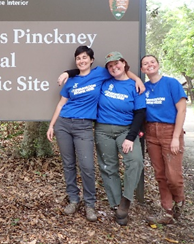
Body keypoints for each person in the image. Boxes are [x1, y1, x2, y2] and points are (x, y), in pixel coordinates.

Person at [46, 45, 107, 222]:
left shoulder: (99, 74)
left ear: (91, 60)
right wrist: (51, 126)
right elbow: (60, 104)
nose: (81, 61)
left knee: (87, 166)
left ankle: (90, 204)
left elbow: (121, 70)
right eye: (78, 58)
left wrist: (138, 80)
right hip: (63, 124)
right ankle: (73, 199)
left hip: (84, 126)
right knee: (68, 164)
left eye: (84, 57)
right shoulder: (71, 81)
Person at [92, 51, 147, 226]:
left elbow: (140, 114)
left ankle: (126, 199)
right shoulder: (104, 82)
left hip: (126, 131)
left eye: (117, 64)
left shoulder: (135, 86)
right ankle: (116, 205)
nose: (114, 67)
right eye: (110, 65)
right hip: (103, 130)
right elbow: (81, 72)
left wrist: (130, 138)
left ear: (124, 64)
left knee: (135, 161)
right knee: (109, 167)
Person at [139, 55, 188, 225]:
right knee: (160, 175)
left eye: (152, 62)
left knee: (173, 176)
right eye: (145, 64)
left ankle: (179, 200)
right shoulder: (143, 88)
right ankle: (167, 212)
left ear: (158, 65)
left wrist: (176, 137)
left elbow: (181, 111)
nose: (149, 65)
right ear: (143, 69)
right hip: (151, 133)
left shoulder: (171, 83)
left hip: (170, 131)